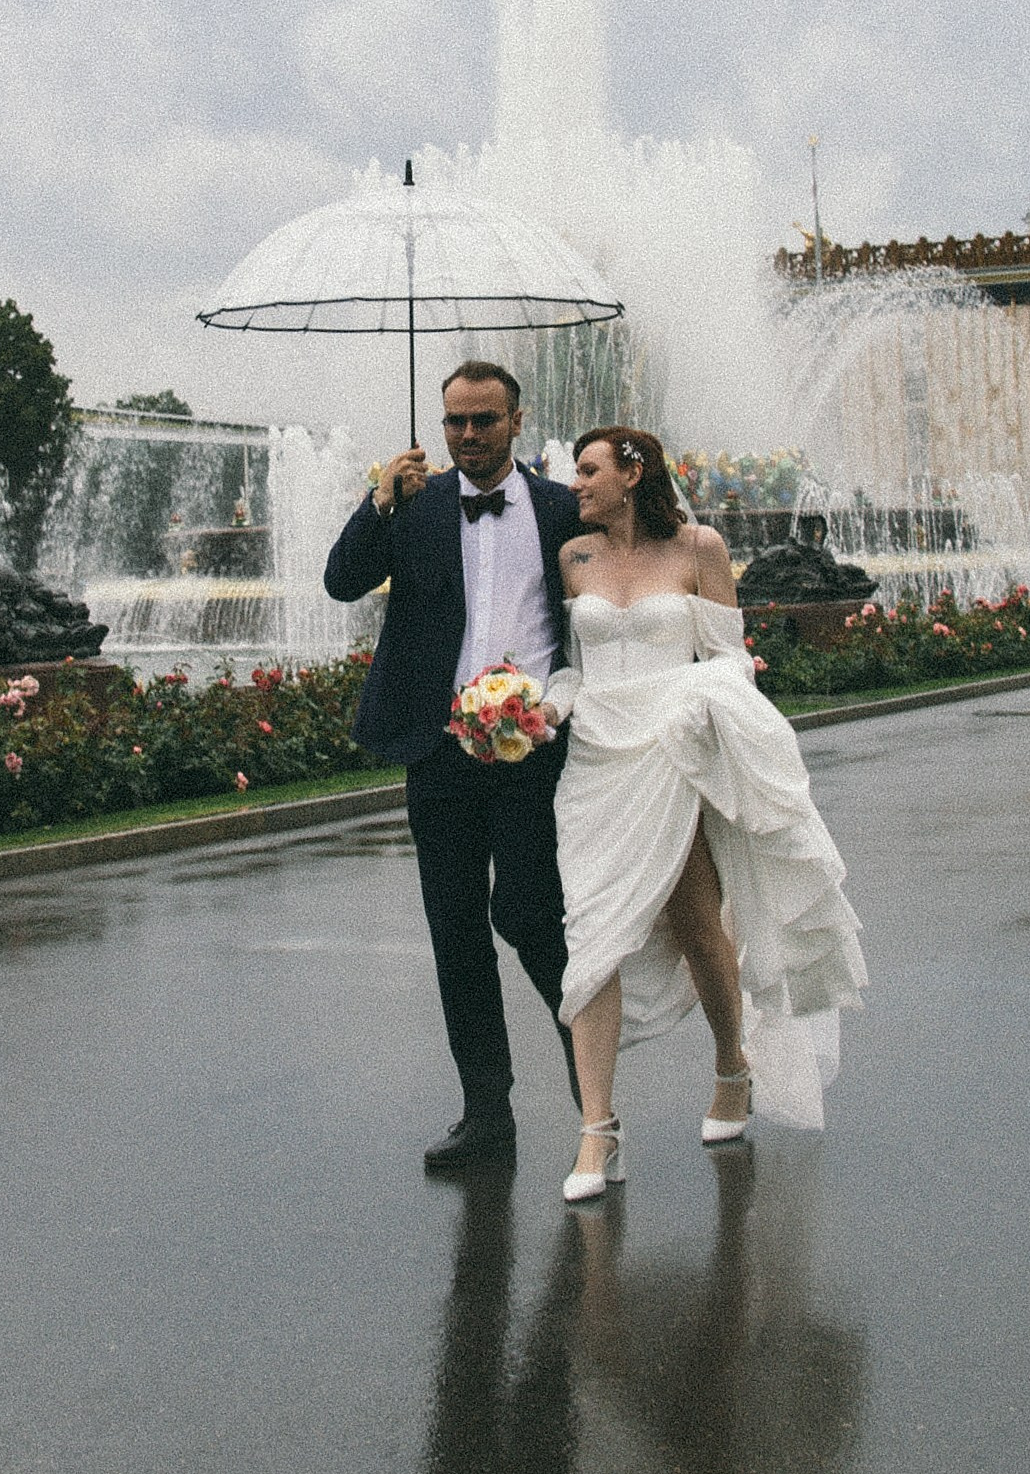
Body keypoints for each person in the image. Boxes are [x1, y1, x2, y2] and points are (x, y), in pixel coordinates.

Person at [547, 426, 866, 1202]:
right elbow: (573, 667)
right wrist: (545, 707)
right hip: (596, 762)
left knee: (695, 923)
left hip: (674, 750)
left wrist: (698, 704)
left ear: (632, 474)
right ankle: (599, 1131)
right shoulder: (573, 557)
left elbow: (729, 661)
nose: (574, 484)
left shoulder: (700, 548)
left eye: (587, 471)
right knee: (591, 934)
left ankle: (731, 1067)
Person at [323, 361, 584, 1174]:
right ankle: (486, 1112)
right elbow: (341, 582)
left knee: (533, 914)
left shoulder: (560, 508)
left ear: (516, 422)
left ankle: (593, 1087)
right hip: (439, 750)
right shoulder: (414, 504)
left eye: (483, 420)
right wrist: (378, 502)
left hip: (533, 749)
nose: (467, 435)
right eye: (454, 422)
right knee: (456, 930)